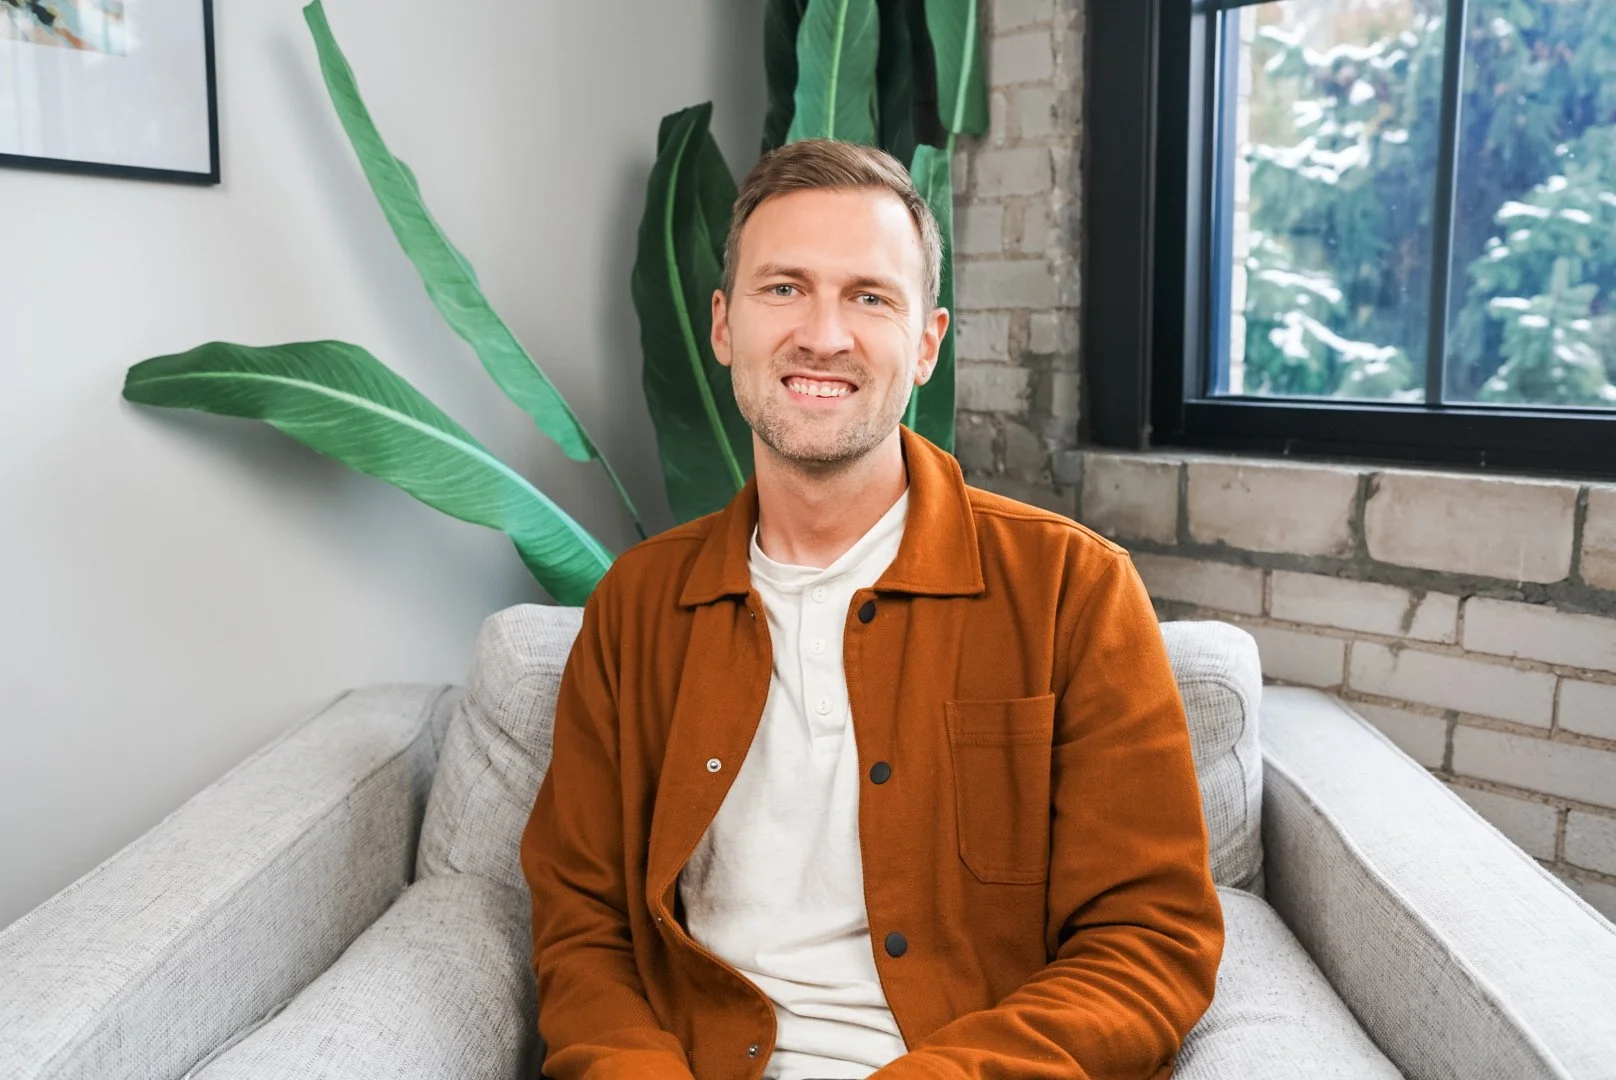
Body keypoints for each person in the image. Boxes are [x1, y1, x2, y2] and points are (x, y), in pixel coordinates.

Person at [519, 138, 1223, 1080]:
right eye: (783, 289)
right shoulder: (637, 609)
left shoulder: (1071, 591)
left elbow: (1149, 939)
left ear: (927, 343)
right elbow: (583, 925)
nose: (822, 334)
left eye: (869, 296)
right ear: (723, 327)